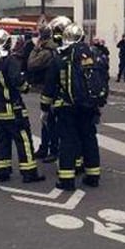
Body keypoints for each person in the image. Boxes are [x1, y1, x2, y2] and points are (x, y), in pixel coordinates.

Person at [42, 23, 104, 191]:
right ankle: (93, 176)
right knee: (89, 139)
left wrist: (45, 109)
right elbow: (101, 79)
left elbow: (49, 86)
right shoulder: (93, 55)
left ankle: (67, 180)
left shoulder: (60, 58)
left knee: (68, 142)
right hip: (89, 105)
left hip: (67, 106)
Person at [0, 30, 44, 183]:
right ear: (7, 43)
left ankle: (2, 171)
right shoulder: (9, 61)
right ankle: (29, 172)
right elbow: (17, 80)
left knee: (1, 140)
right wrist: (25, 86)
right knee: (23, 139)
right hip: (13, 107)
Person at [28, 16, 72, 162]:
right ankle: (46, 147)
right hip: (60, 91)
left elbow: (32, 64)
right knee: (48, 121)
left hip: (53, 90)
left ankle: (52, 149)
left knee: (49, 120)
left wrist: (36, 47)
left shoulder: (48, 51)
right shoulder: (65, 50)